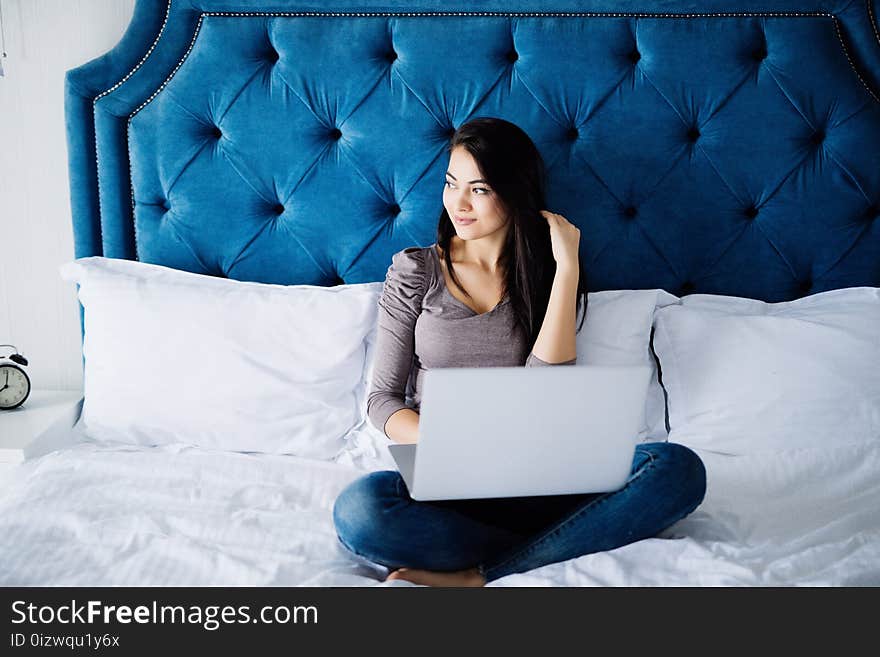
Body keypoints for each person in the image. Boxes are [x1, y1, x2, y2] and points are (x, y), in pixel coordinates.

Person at [333, 117, 706, 587]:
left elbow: (545, 386)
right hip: (446, 480)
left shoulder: (542, 274)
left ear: (514, 193)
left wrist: (567, 268)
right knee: (361, 510)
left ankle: (479, 574)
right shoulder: (416, 270)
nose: (458, 204)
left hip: (537, 475)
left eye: (480, 189)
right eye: (451, 184)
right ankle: (567, 541)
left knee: (677, 468)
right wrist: (448, 447)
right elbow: (382, 399)